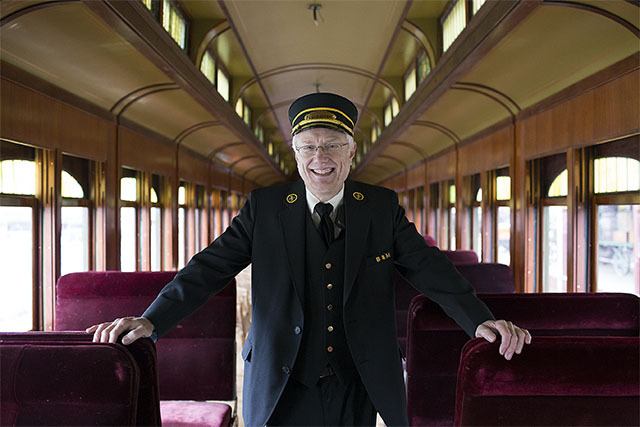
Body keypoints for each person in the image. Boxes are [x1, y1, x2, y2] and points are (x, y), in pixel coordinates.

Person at [88, 92, 531, 426]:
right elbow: (208, 267)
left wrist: (479, 320)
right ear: (294, 152)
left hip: (359, 379)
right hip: (283, 377)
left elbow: (428, 267)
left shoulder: (380, 207)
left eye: (333, 144)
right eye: (309, 146)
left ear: (351, 150)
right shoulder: (264, 207)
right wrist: (151, 320)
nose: (321, 157)